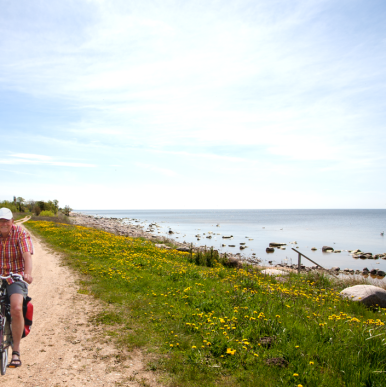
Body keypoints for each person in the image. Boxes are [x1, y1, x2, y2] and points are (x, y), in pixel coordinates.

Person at [0, 207, 33, 368]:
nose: (3, 224)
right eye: (0, 221)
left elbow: (27, 254)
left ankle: (16, 350)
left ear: (12, 221)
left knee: (16, 308)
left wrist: (27, 273)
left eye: (6, 220)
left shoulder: (20, 232)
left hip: (16, 276)